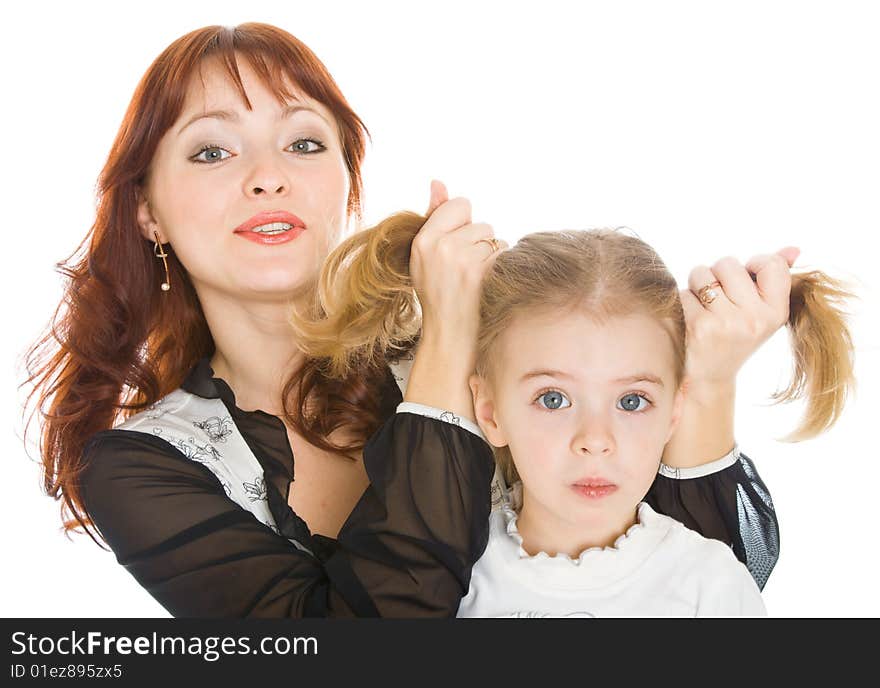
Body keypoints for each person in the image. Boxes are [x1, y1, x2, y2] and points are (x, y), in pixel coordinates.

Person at [25, 23, 794, 618]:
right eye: (211, 152)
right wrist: (453, 338)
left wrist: (711, 377)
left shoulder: (506, 351)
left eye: (303, 143)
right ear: (147, 211)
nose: (268, 178)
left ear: (343, 183)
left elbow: (691, 587)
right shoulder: (144, 467)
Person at [453, 229, 853, 617]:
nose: (595, 440)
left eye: (631, 401)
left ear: (673, 414)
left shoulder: (710, 585)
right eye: (553, 399)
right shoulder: (453, 574)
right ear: (490, 413)